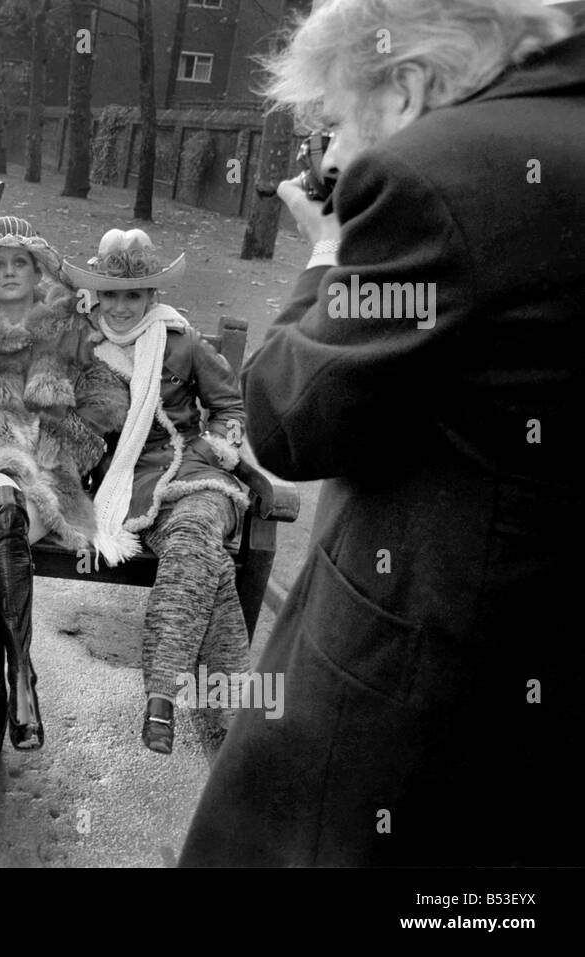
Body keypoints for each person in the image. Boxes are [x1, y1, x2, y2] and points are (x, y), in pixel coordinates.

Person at [180, 0, 583, 866]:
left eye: (333, 124)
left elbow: (291, 419)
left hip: (408, 699)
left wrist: (326, 257)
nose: (329, 156)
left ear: (405, 86)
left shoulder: (442, 174)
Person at [0, 216, 127, 773]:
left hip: (46, 469)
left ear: (39, 268)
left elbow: (106, 396)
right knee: (0, 505)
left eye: (21, 261)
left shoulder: (70, 326)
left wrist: (71, 436)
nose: (11, 271)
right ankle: (23, 677)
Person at [65, 229, 250, 756]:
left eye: (135, 295)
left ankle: (160, 699)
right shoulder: (81, 343)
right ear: (97, 295)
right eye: (113, 294)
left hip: (194, 470)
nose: (122, 307)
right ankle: (231, 709)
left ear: (153, 297)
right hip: (124, 484)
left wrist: (224, 444)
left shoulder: (183, 342)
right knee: (210, 565)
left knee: (195, 534)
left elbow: (229, 406)